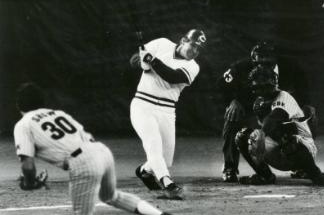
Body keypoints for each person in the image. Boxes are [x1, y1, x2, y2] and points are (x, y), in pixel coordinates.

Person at [14, 82, 173, 215]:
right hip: (101, 151)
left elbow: (28, 165)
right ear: (41, 101)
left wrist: (30, 183)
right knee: (110, 196)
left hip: (82, 163)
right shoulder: (57, 113)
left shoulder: (24, 124)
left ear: (19, 105)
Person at [217, 41, 316, 182]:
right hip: (250, 104)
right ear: (252, 61)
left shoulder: (290, 66)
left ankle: (303, 165)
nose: (263, 67)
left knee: (308, 114)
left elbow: (302, 86)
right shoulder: (240, 68)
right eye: (259, 63)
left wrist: (306, 105)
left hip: (279, 106)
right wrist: (232, 101)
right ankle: (230, 166)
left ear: (276, 60)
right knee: (233, 116)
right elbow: (221, 83)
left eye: (268, 63)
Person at [129, 29, 207, 200]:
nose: (195, 51)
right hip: (143, 105)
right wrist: (142, 60)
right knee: (153, 143)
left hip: (167, 110)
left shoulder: (193, 66)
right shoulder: (162, 43)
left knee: (166, 160)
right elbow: (134, 60)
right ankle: (168, 184)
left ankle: (144, 171)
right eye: (193, 45)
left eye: (198, 49)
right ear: (183, 40)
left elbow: (172, 76)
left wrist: (152, 60)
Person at [235, 66, 324, 185]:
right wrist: (255, 138)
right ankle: (265, 176)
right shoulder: (259, 103)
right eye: (258, 87)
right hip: (277, 150)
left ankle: (315, 174)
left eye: (265, 86)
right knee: (242, 136)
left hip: (302, 148)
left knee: (285, 136)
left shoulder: (284, 96)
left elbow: (274, 118)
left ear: (274, 83)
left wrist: (261, 134)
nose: (262, 90)